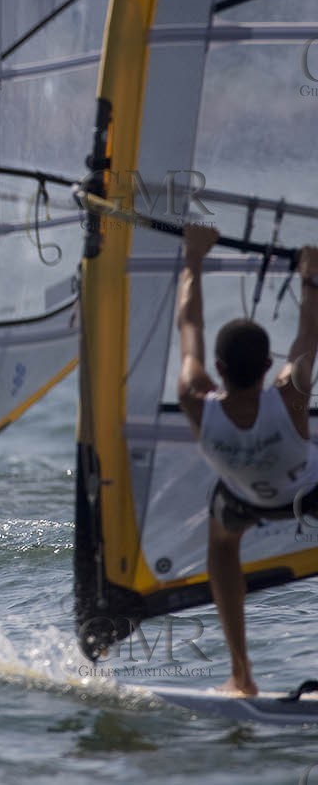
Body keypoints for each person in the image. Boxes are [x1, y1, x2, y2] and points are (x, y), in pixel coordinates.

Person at [175, 224, 318, 696]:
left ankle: (241, 673)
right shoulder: (290, 394)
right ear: (267, 367)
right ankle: (240, 673)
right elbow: (308, 334)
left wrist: (193, 258)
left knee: (221, 546)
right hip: (310, 492)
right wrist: (310, 276)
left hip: (243, 503)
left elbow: (189, 326)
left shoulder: (195, 398)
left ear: (218, 369)